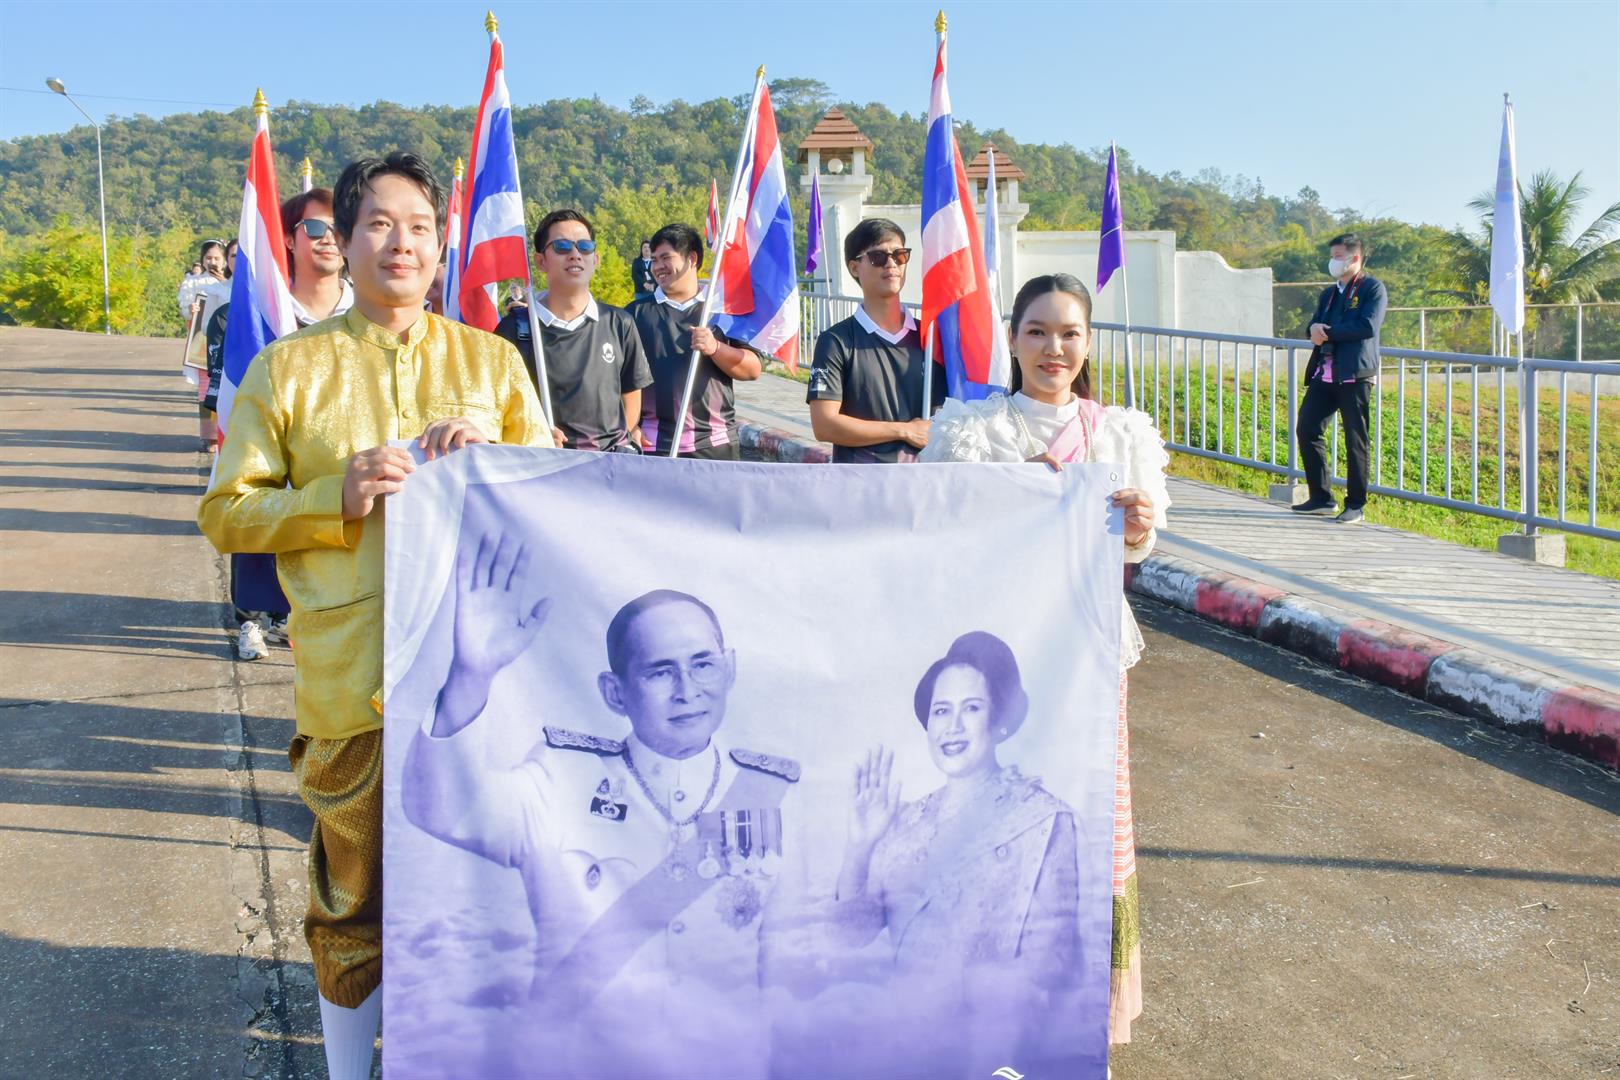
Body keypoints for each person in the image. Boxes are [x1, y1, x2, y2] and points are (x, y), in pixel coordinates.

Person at [198, 151, 552, 1080]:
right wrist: (336, 495)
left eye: (421, 227)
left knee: (489, 888)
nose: (403, 243)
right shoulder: (290, 369)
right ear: (343, 243)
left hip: (483, 682)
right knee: (352, 895)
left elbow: (556, 498)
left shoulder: (494, 363)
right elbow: (226, 512)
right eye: (380, 224)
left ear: (442, 246)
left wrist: (492, 463)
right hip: (352, 680)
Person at [405, 568, 800, 1080]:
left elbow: (789, 971)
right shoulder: (562, 776)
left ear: (729, 670)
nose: (687, 691)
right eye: (660, 672)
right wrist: (470, 676)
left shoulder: (773, 794)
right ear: (615, 693)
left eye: (703, 664)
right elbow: (444, 808)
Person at [919, 272, 1169, 1048]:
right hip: (998, 656)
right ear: (1012, 338)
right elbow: (934, 530)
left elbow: (1137, 548)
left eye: (1069, 333)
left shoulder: (1120, 435)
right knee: (987, 808)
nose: (1053, 348)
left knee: (1085, 809)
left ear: (1088, 343)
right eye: (1037, 331)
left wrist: (1137, 525)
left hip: (1087, 654)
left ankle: (1080, 1009)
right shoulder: (971, 431)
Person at [832, 631, 1081, 1071]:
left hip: (992, 1054)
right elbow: (848, 936)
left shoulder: (1042, 820)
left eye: (972, 708)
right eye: (941, 710)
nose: (953, 727)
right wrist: (860, 845)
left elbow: (1053, 965)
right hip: (903, 1049)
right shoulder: (905, 821)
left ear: (1000, 720)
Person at [495, 209, 652, 452]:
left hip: (608, 464)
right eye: (562, 246)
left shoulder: (619, 323)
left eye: (584, 247)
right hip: (543, 464)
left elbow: (631, 393)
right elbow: (497, 405)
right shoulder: (514, 329)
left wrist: (624, 440)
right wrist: (532, 434)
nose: (575, 254)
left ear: (595, 260)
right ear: (540, 261)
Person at [805, 219, 943, 463]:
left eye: (899, 255)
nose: (891, 263)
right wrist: (904, 430)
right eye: (878, 257)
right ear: (854, 268)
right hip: (860, 481)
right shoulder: (836, 342)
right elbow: (824, 425)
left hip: (923, 481)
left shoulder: (931, 338)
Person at [628, 223, 763, 459]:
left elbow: (752, 369)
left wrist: (715, 348)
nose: (658, 267)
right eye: (654, 260)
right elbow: (615, 379)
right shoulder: (634, 314)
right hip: (654, 445)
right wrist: (629, 426)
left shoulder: (723, 311)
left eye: (666, 258)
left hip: (715, 444)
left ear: (691, 259)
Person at [1292, 232, 1387, 525]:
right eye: (1332, 256)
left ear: (1354, 258)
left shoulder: (1372, 288)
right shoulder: (1329, 294)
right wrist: (1313, 330)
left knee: (1355, 440)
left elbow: (1367, 326)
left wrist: (1328, 332)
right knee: (1307, 428)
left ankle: (1356, 504)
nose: (1333, 262)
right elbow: (1314, 325)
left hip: (1355, 375)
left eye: (1338, 256)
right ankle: (1321, 498)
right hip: (1324, 373)